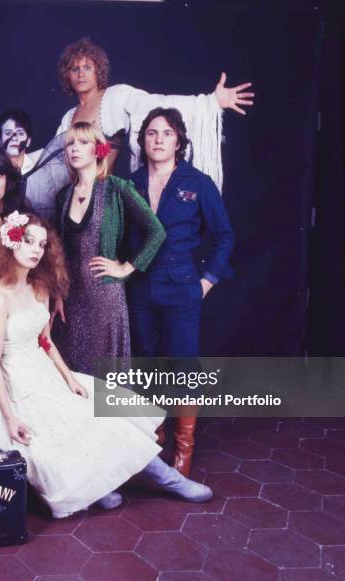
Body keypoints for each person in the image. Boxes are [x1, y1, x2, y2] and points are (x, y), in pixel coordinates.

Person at [0, 211, 212, 519]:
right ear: (10, 243)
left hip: (46, 373)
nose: (35, 249)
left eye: (41, 244)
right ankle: (99, 488)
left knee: (106, 411)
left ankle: (171, 480)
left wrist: (69, 379)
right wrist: (9, 417)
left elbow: (45, 341)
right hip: (15, 385)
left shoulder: (40, 286)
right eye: (28, 241)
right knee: (77, 429)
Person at [128, 107, 235, 476]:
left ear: (178, 140)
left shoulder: (197, 182)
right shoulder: (131, 183)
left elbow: (224, 236)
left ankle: (183, 451)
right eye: (152, 133)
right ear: (142, 140)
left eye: (167, 133)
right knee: (146, 364)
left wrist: (206, 282)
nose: (158, 139)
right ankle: (154, 441)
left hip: (182, 288)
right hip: (140, 287)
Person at [56, 38, 254, 189]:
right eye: (75, 69)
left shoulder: (116, 95)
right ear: (68, 75)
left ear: (98, 71)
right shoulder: (69, 117)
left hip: (103, 193)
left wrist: (211, 101)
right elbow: (50, 162)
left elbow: (161, 102)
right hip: (75, 194)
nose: (81, 74)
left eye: (87, 67)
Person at [51, 121, 165, 374]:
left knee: (103, 373)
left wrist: (126, 267)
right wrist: (57, 293)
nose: (75, 149)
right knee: (72, 372)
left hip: (104, 296)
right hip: (70, 298)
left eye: (83, 142)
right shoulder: (63, 195)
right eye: (70, 143)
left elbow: (156, 231)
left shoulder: (117, 188)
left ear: (99, 150)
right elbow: (58, 251)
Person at [0, 108, 41, 174]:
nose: (14, 138)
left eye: (20, 133)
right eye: (8, 133)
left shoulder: (39, 165)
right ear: (0, 141)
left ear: (28, 141)